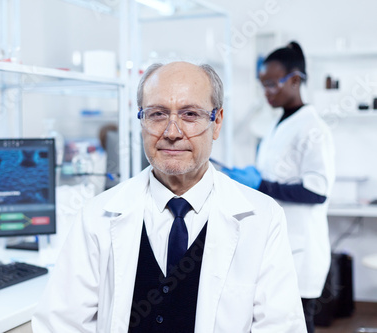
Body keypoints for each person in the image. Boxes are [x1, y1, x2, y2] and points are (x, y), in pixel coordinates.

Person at [32, 61, 306, 332]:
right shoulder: (97, 215)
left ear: (217, 122)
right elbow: (60, 324)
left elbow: (280, 327)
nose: (172, 132)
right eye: (157, 114)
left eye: (190, 114)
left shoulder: (262, 219)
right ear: (141, 120)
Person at [223, 42, 335, 333]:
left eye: (272, 84)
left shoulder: (313, 128)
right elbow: (279, 177)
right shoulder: (279, 124)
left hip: (302, 251)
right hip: (280, 245)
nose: (267, 92)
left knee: (297, 325)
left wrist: (262, 184)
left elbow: (316, 191)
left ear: (295, 80)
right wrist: (256, 178)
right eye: (263, 85)